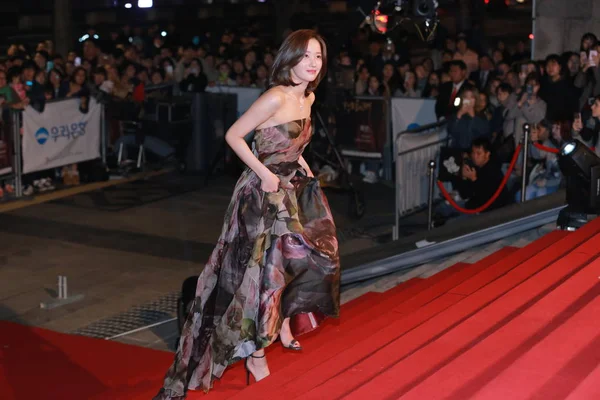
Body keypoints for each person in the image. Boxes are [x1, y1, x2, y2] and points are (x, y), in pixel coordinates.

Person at [154, 29, 340, 399]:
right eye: (305, 56)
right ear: (290, 59)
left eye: (317, 56)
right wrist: (266, 173)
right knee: (258, 277)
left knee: (315, 257)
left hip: (288, 188)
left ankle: (283, 322)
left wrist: (300, 162)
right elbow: (236, 136)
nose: (312, 63)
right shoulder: (275, 97)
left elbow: (291, 139)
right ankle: (256, 354)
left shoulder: (309, 96)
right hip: (260, 195)